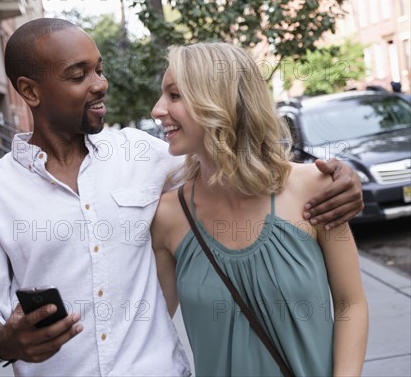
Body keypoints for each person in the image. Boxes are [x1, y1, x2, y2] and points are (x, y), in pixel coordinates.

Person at [0, 18, 363, 376]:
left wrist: (343, 178)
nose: (100, 84)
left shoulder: (145, 154)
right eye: (79, 75)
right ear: (30, 91)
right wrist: (2, 341)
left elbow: (233, 159)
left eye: (99, 69)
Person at [150, 42, 369, 376]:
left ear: (218, 100)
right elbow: (148, 326)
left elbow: (350, 302)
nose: (157, 109)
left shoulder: (315, 187)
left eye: (174, 95)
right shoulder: (168, 216)